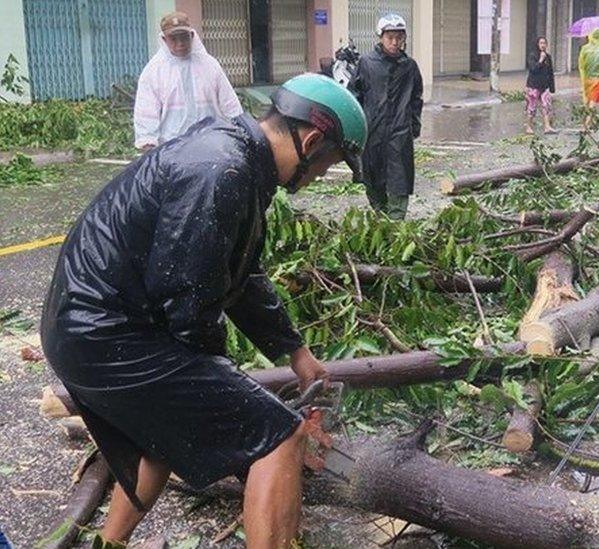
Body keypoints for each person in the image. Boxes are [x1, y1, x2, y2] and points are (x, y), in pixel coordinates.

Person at [41, 73, 368, 548]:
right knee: (279, 437)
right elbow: (189, 302)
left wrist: (297, 354)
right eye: (327, 164)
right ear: (311, 140)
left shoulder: (237, 158)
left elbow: (241, 275)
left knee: (163, 439)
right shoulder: (222, 171)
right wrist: (234, 399)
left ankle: (108, 544)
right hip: (105, 335)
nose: (320, 175)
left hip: (83, 329)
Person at [133, 11, 243, 151]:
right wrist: (149, 148)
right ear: (164, 39)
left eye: (184, 37)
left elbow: (230, 104)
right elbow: (145, 113)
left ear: (192, 36)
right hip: (172, 150)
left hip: (212, 146)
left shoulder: (209, 65)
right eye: (174, 38)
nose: (180, 44)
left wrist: (240, 130)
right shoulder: (154, 71)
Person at [353, 13, 424, 220]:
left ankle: (396, 223)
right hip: (372, 131)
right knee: (372, 178)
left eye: (399, 38)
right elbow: (354, 96)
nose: (394, 42)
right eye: (390, 37)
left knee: (399, 179)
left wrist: (414, 126)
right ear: (380, 37)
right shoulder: (366, 64)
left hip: (399, 133)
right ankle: (380, 215)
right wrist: (356, 127)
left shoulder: (409, 67)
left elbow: (416, 99)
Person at [578, 28, 599, 129]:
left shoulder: (584, 48)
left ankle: (587, 120)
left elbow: (581, 64)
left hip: (586, 77)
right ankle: (587, 123)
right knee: (593, 101)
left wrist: (583, 75)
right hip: (598, 78)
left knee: (586, 99)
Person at [525, 37, 556, 134]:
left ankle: (547, 126)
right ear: (537, 44)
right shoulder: (532, 56)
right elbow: (533, 69)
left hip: (544, 86)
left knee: (546, 106)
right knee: (532, 106)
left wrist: (552, 87)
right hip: (534, 86)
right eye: (541, 43)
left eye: (544, 43)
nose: (543, 45)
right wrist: (540, 60)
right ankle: (529, 126)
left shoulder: (548, 57)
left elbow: (550, 72)